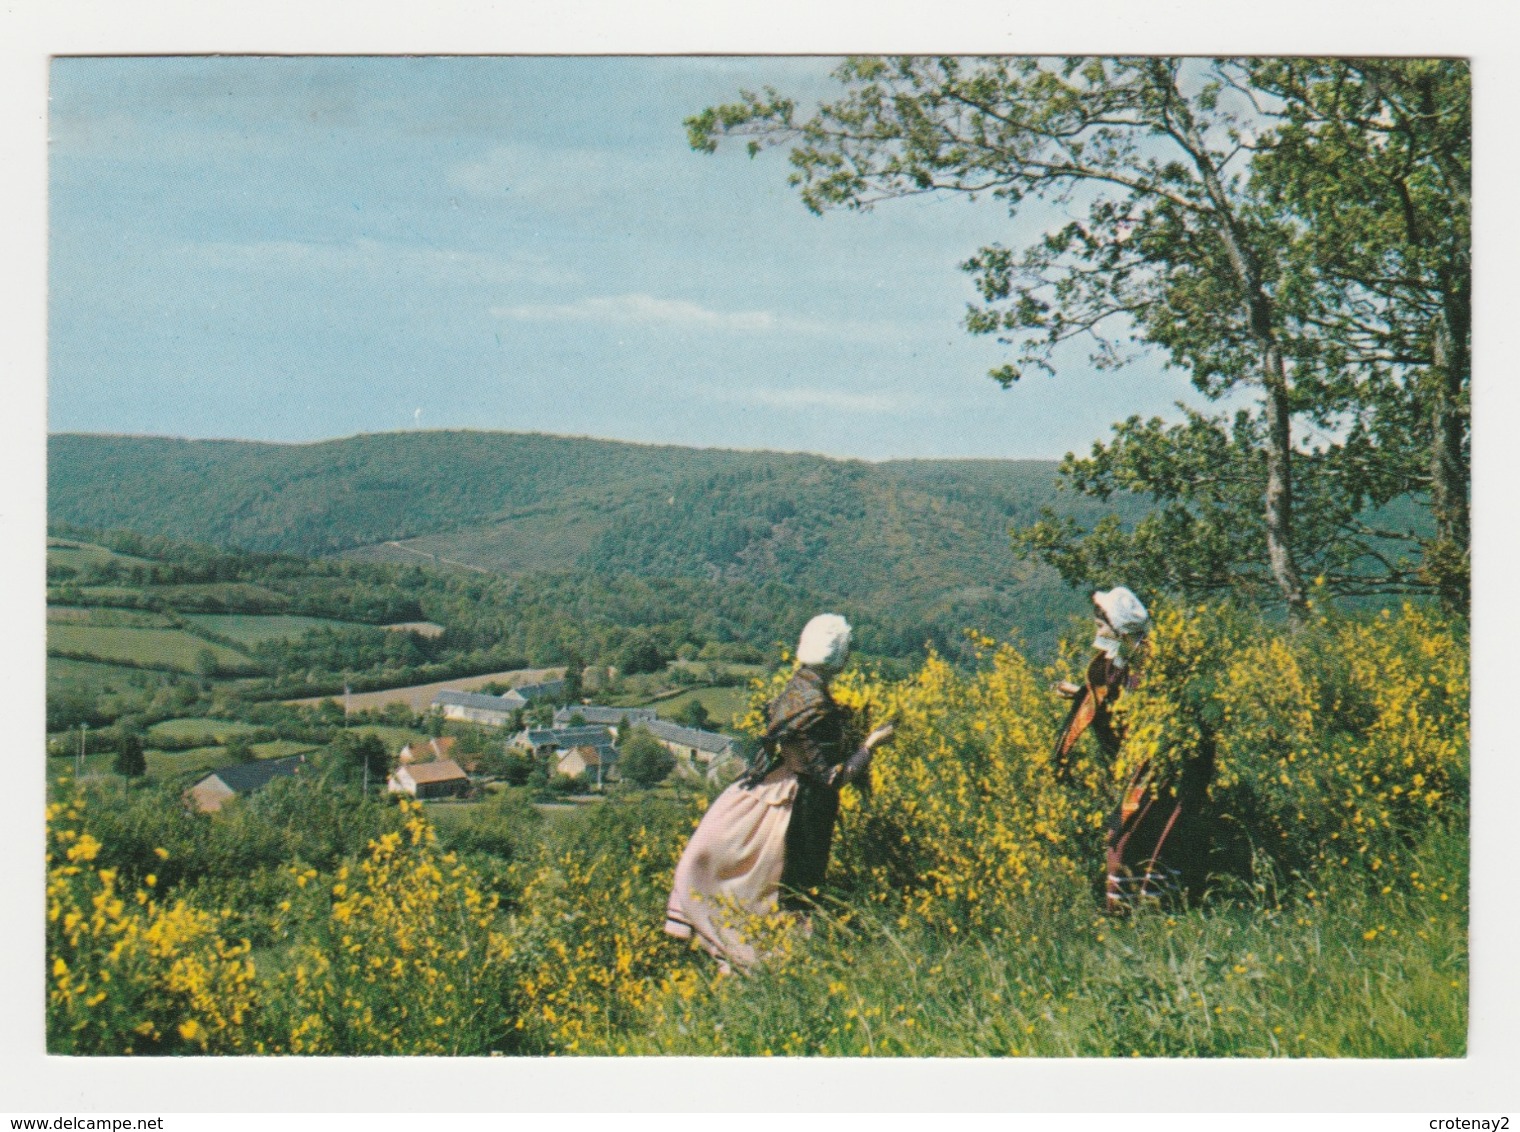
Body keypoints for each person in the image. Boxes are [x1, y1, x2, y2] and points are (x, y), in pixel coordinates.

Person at [663, 614, 894, 968]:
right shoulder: (815, 703)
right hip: (799, 807)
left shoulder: (796, 688)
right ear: (837, 655)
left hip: (773, 788)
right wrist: (870, 745)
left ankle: (754, 957)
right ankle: (770, 962)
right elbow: (829, 777)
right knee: (790, 890)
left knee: (754, 883)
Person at [1051, 587, 1211, 913]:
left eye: (1101, 622)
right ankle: (1154, 910)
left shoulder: (1146, 660)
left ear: (1118, 627)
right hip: (1152, 760)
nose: (1096, 626)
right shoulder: (1122, 656)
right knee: (1145, 832)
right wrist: (1081, 693)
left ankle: (1135, 913)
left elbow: (1146, 704)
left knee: (1134, 832)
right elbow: (1112, 692)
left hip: (1165, 762)